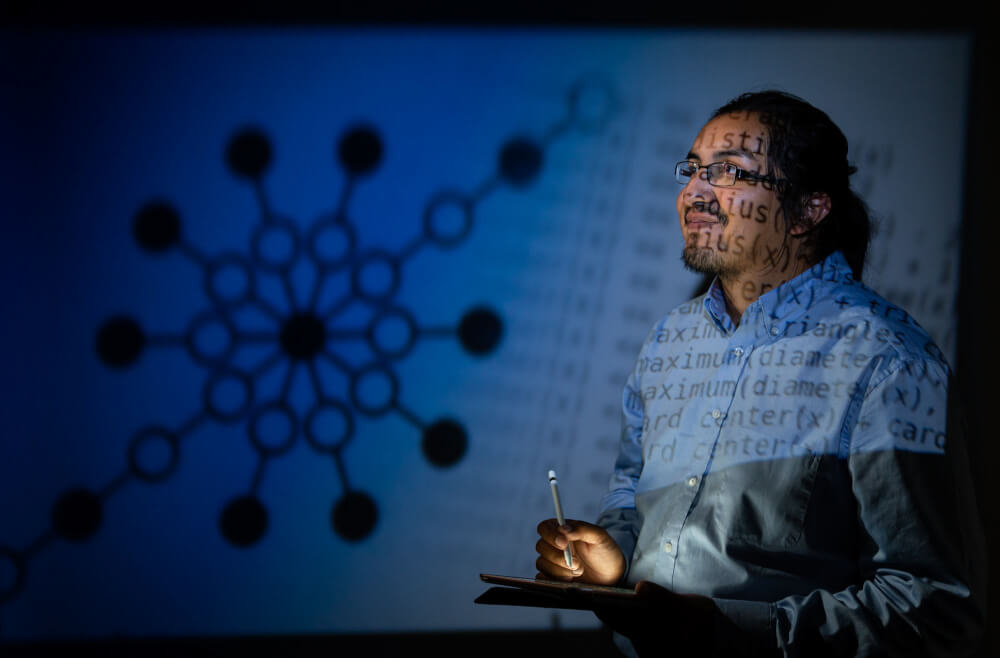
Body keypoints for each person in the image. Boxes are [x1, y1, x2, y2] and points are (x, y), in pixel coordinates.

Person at [534, 91, 987, 657]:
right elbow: (630, 496)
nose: (694, 193)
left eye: (729, 173)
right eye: (694, 169)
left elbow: (935, 605)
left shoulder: (892, 361)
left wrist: (728, 630)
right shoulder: (670, 340)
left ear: (807, 211)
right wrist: (613, 559)